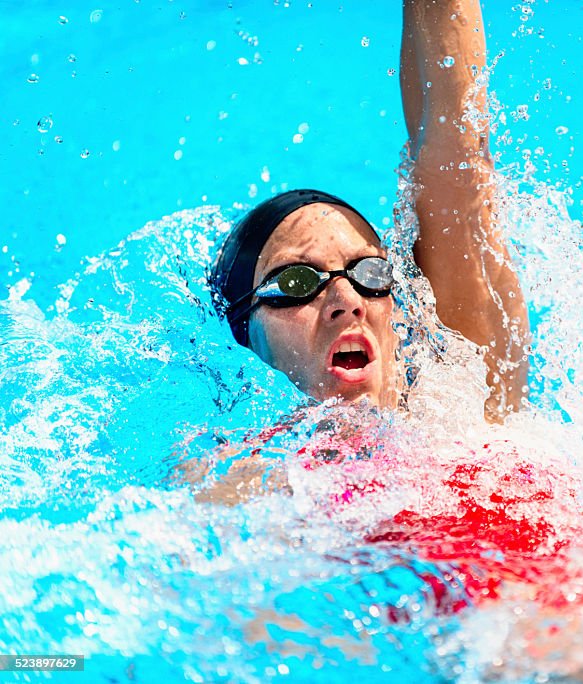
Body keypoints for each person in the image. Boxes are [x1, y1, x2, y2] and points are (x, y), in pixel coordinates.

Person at [210, 0, 528, 424]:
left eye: (371, 274)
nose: (347, 301)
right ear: (243, 335)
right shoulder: (233, 477)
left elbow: (460, 159)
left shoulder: (470, 403)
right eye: (296, 281)